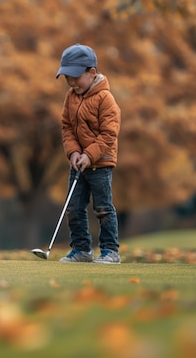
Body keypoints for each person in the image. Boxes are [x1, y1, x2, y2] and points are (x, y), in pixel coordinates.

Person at [55, 44, 122, 264]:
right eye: (67, 78)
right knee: (73, 207)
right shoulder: (70, 97)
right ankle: (81, 250)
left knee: (103, 208)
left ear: (91, 73)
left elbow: (108, 134)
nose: (72, 83)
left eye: (75, 77)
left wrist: (89, 155)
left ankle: (110, 251)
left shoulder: (106, 99)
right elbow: (67, 126)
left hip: (101, 163)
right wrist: (73, 152)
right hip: (78, 163)